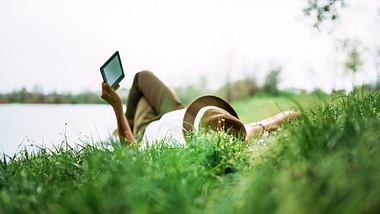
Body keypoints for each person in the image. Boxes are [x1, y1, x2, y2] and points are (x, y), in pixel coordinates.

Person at [101, 70, 299, 146]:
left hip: (147, 129)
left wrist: (117, 107)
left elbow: (132, 149)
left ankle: (124, 125)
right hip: (177, 113)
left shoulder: (171, 148)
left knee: (140, 90)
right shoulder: (230, 128)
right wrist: (290, 115)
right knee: (142, 78)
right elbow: (273, 121)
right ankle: (126, 123)